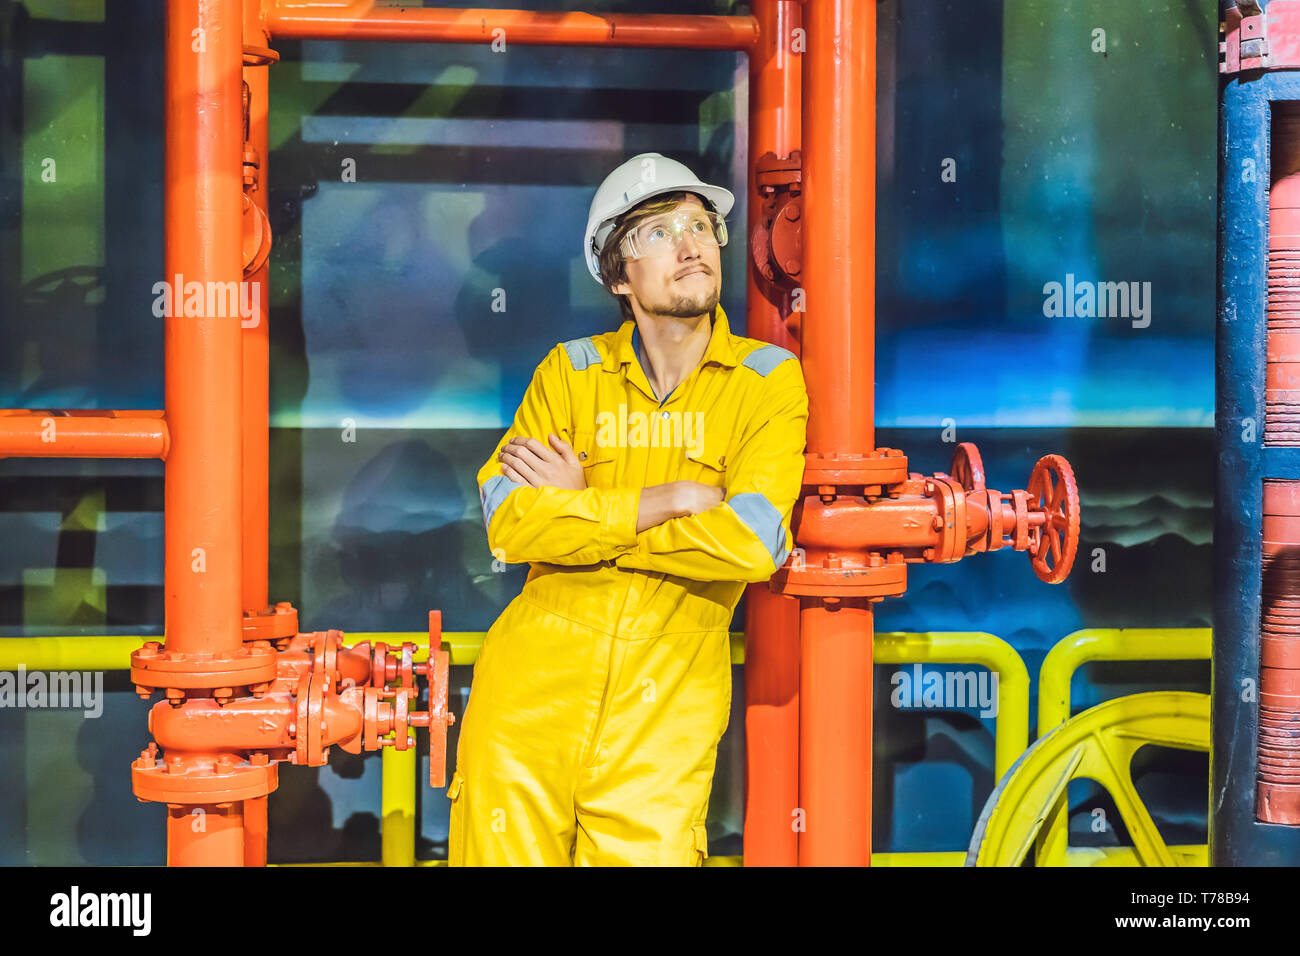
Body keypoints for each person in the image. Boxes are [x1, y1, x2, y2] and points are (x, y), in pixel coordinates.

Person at [448, 152, 809, 866]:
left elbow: (753, 541)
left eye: (702, 226)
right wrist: (667, 501)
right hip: (524, 712)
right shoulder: (570, 371)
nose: (690, 243)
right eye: (659, 232)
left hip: (661, 731)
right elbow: (510, 522)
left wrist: (583, 511)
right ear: (618, 275)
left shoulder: (767, 382)